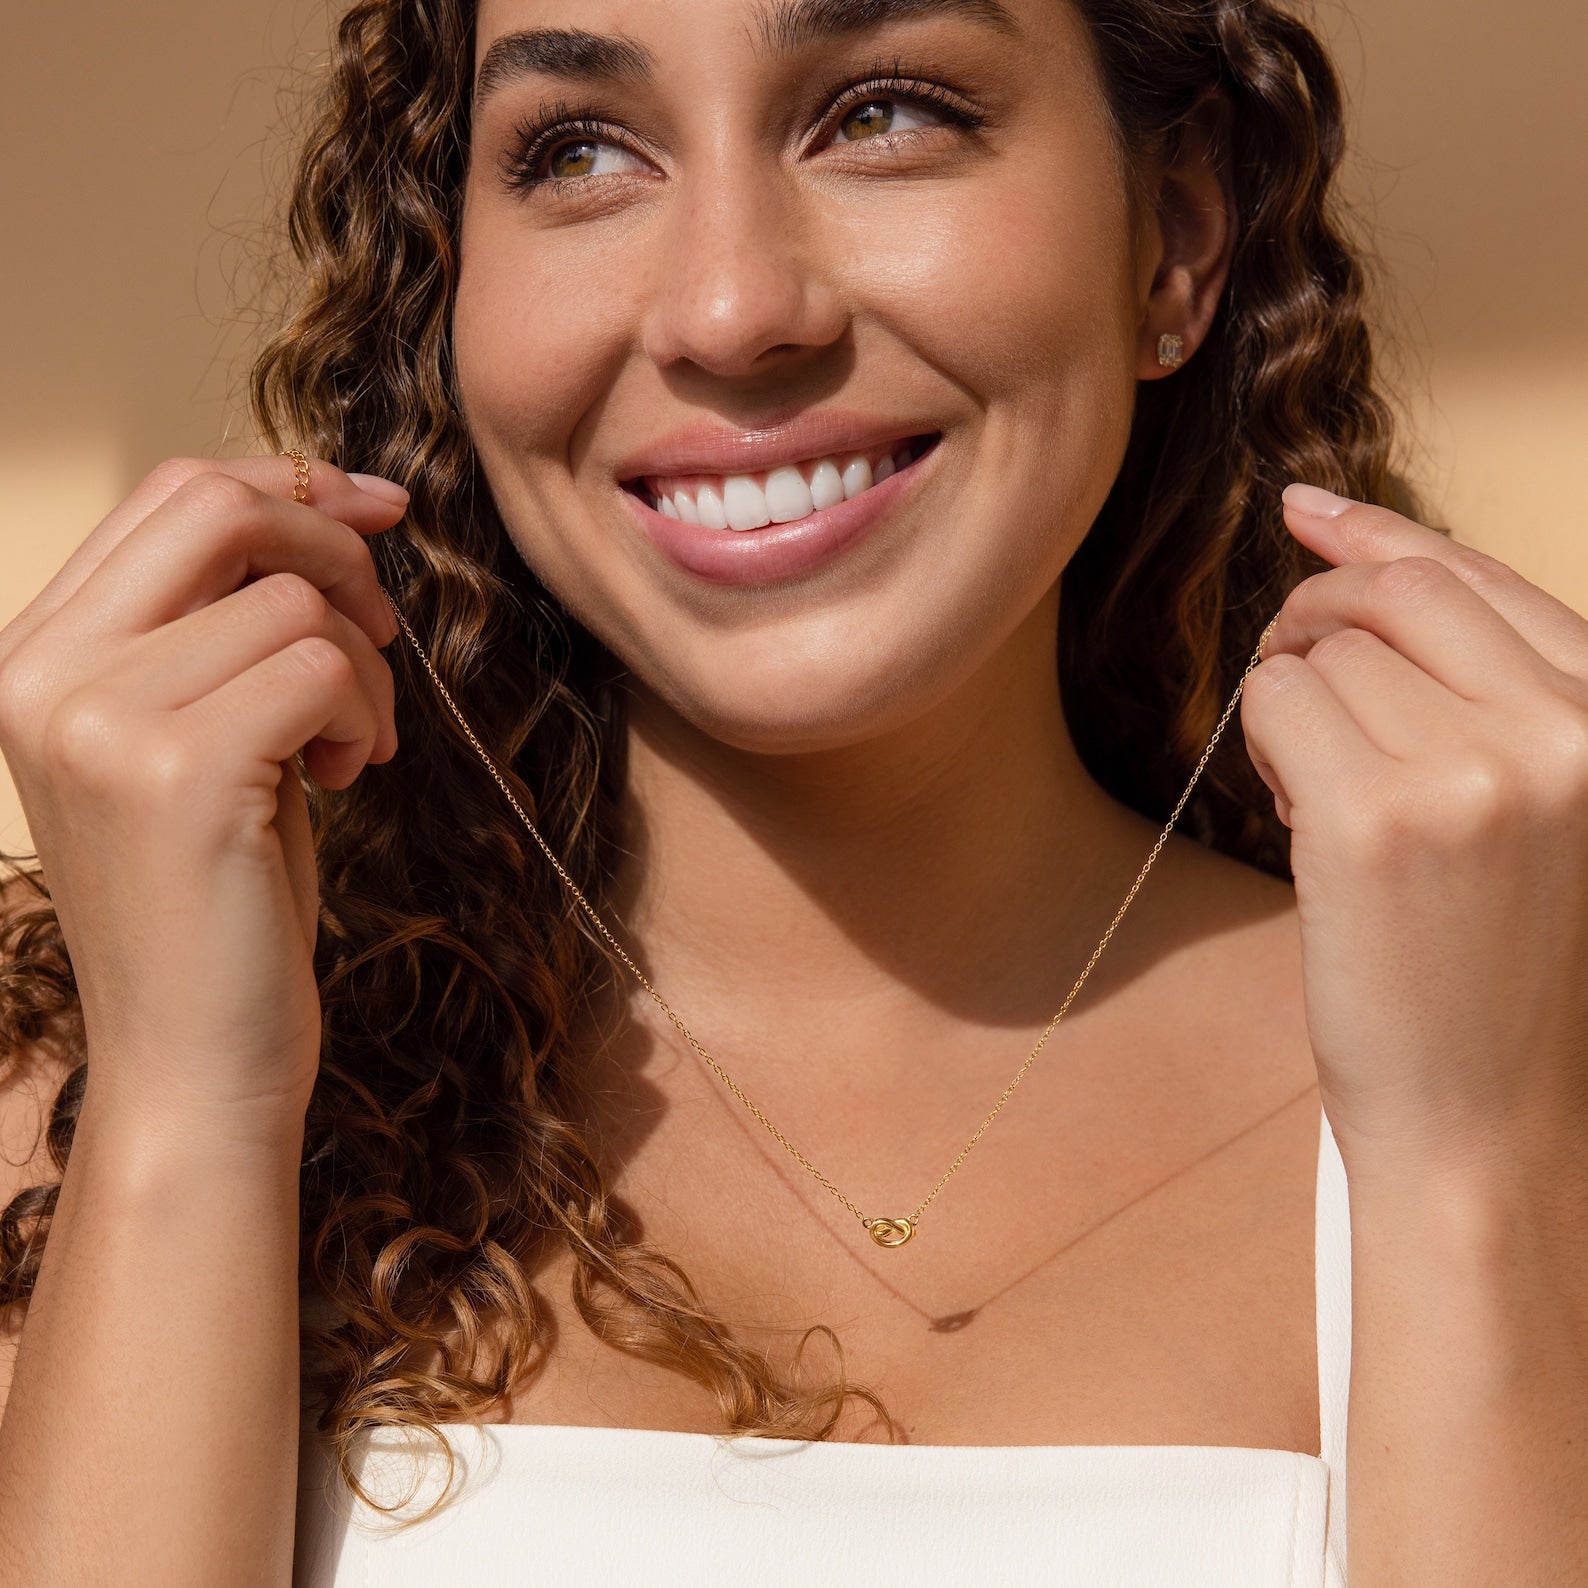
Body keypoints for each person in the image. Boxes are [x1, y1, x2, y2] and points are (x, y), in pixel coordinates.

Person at [2, 0, 1585, 1582]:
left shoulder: (1516, 1071)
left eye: (884, 112)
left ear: (1172, 238)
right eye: (578, 149)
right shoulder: (81, 1095)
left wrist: (1472, 1160)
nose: (731, 306)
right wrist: (188, 1110)